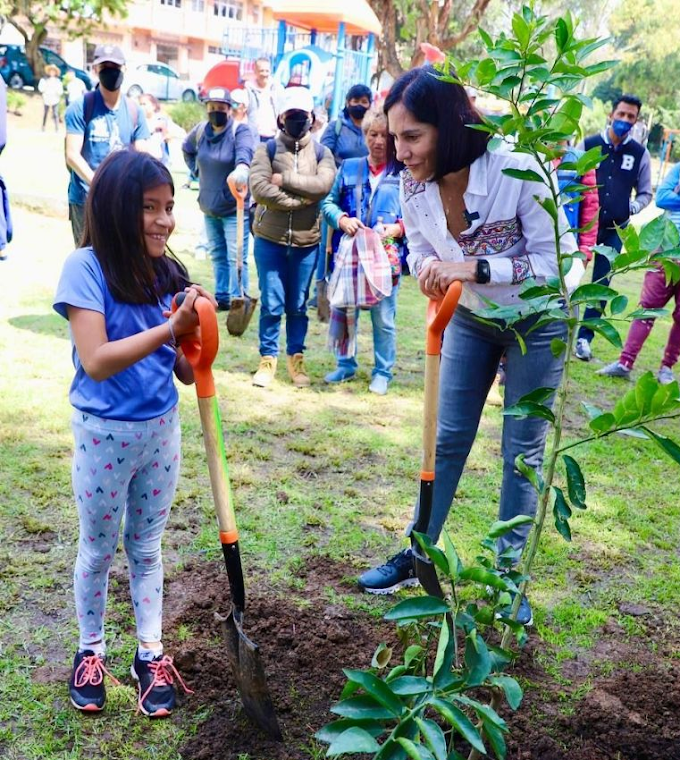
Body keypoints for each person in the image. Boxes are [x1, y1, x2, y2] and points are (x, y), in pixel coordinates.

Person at [356, 66, 577, 627]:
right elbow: (422, 251)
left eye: (412, 137)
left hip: (539, 321)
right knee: (445, 438)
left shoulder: (517, 169)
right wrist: (430, 267)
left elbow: (563, 267)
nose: (398, 150)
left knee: (521, 451)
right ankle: (418, 552)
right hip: (472, 319)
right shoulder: (411, 182)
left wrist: (472, 266)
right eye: (394, 135)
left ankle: (508, 581)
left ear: (450, 128)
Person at [53, 149, 215, 716]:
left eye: (170, 207)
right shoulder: (86, 268)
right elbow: (95, 358)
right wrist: (171, 326)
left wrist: (200, 334)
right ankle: (90, 650)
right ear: (119, 208)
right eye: (150, 207)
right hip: (102, 433)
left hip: (159, 432)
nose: (165, 220)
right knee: (98, 549)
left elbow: (186, 371)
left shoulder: (165, 273)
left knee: (146, 548)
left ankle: (150, 654)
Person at [249, 86, 336, 388]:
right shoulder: (266, 150)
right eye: (292, 115)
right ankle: (267, 360)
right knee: (272, 303)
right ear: (280, 119)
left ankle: (296, 359)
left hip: (306, 243)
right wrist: (303, 198)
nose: (298, 120)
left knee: (298, 306)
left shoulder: (323, 153)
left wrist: (285, 180)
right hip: (269, 240)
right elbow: (260, 189)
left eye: (303, 115)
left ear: (312, 118)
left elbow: (323, 185)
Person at [321, 109, 405, 395]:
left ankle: (382, 371)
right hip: (350, 256)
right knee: (344, 310)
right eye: (373, 134)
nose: (379, 141)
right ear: (364, 135)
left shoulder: (403, 173)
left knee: (383, 316)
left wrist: (396, 229)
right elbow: (328, 205)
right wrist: (342, 220)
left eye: (385, 135)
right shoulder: (348, 167)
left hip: (385, 258)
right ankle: (345, 363)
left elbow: (418, 217)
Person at [574, 94, 652, 361]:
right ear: (611, 114)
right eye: (621, 115)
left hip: (615, 230)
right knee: (570, 275)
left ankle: (584, 338)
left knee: (601, 284)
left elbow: (645, 193)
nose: (625, 120)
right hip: (584, 226)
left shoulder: (640, 154)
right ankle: (558, 328)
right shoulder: (589, 144)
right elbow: (572, 177)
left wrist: (632, 207)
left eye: (631, 117)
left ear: (636, 121)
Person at [598, 162, 680, 385]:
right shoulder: (679, 169)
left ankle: (667, 368)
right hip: (664, 252)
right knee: (647, 310)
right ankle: (625, 363)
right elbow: (662, 198)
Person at [65, 44, 150, 246]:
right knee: (87, 259)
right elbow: (72, 155)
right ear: (95, 70)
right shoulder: (81, 107)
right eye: (105, 67)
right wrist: (99, 183)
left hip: (122, 199)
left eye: (115, 66)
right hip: (86, 198)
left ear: (124, 69)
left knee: (119, 259)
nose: (110, 71)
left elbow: (141, 153)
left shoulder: (134, 110)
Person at [182, 87, 254, 312]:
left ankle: (238, 298)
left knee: (236, 257)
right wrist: (195, 171)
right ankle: (222, 296)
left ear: (229, 109)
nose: (215, 111)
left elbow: (245, 155)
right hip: (209, 205)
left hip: (234, 207)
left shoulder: (239, 131)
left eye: (220, 107)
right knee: (218, 254)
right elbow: (187, 148)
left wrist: (241, 171)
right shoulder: (201, 131)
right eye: (211, 107)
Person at [321, 83, 371, 167]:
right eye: (355, 101)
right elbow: (324, 155)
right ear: (347, 103)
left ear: (370, 105)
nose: (359, 105)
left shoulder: (375, 129)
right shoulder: (335, 127)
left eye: (364, 102)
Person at [245, 57, 282, 142]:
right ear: (255, 71)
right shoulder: (249, 89)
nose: (264, 74)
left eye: (267, 71)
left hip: (274, 136)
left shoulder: (277, 89)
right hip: (254, 136)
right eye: (261, 71)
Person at [139, 94, 171, 165]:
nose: (142, 107)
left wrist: (165, 132)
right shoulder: (140, 121)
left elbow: (167, 138)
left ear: (153, 106)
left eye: (144, 104)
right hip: (145, 157)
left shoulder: (160, 119)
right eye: (140, 104)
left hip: (159, 157)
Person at [38, 64, 63, 132]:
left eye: (53, 71)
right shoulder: (44, 80)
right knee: (45, 113)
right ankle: (43, 126)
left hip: (55, 99)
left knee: (55, 113)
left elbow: (60, 91)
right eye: (51, 71)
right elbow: (41, 88)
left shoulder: (58, 81)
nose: (52, 72)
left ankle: (57, 128)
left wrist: (57, 92)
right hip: (47, 98)